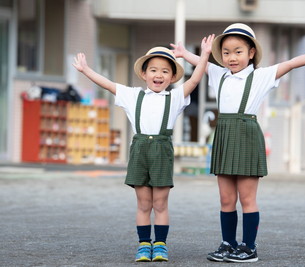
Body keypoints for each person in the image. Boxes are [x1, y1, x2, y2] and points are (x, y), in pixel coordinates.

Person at [171, 23, 305, 263]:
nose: (231, 57)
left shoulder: (261, 76)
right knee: (225, 198)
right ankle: (228, 244)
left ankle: (249, 248)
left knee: (247, 198)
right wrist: (183, 53)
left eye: (238, 51)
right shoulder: (217, 73)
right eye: (226, 52)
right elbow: (199, 61)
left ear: (251, 53)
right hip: (224, 134)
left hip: (247, 134)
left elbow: (293, 62)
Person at [73, 34, 214, 262]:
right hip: (139, 150)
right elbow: (107, 84)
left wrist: (205, 55)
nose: (159, 75)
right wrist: (86, 70)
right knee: (143, 203)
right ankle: (142, 245)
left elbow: (195, 81)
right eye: (154, 70)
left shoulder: (175, 97)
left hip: (162, 151)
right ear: (144, 73)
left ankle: (160, 245)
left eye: (165, 71)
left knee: (160, 203)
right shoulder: (132, 95)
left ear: (172, 77)